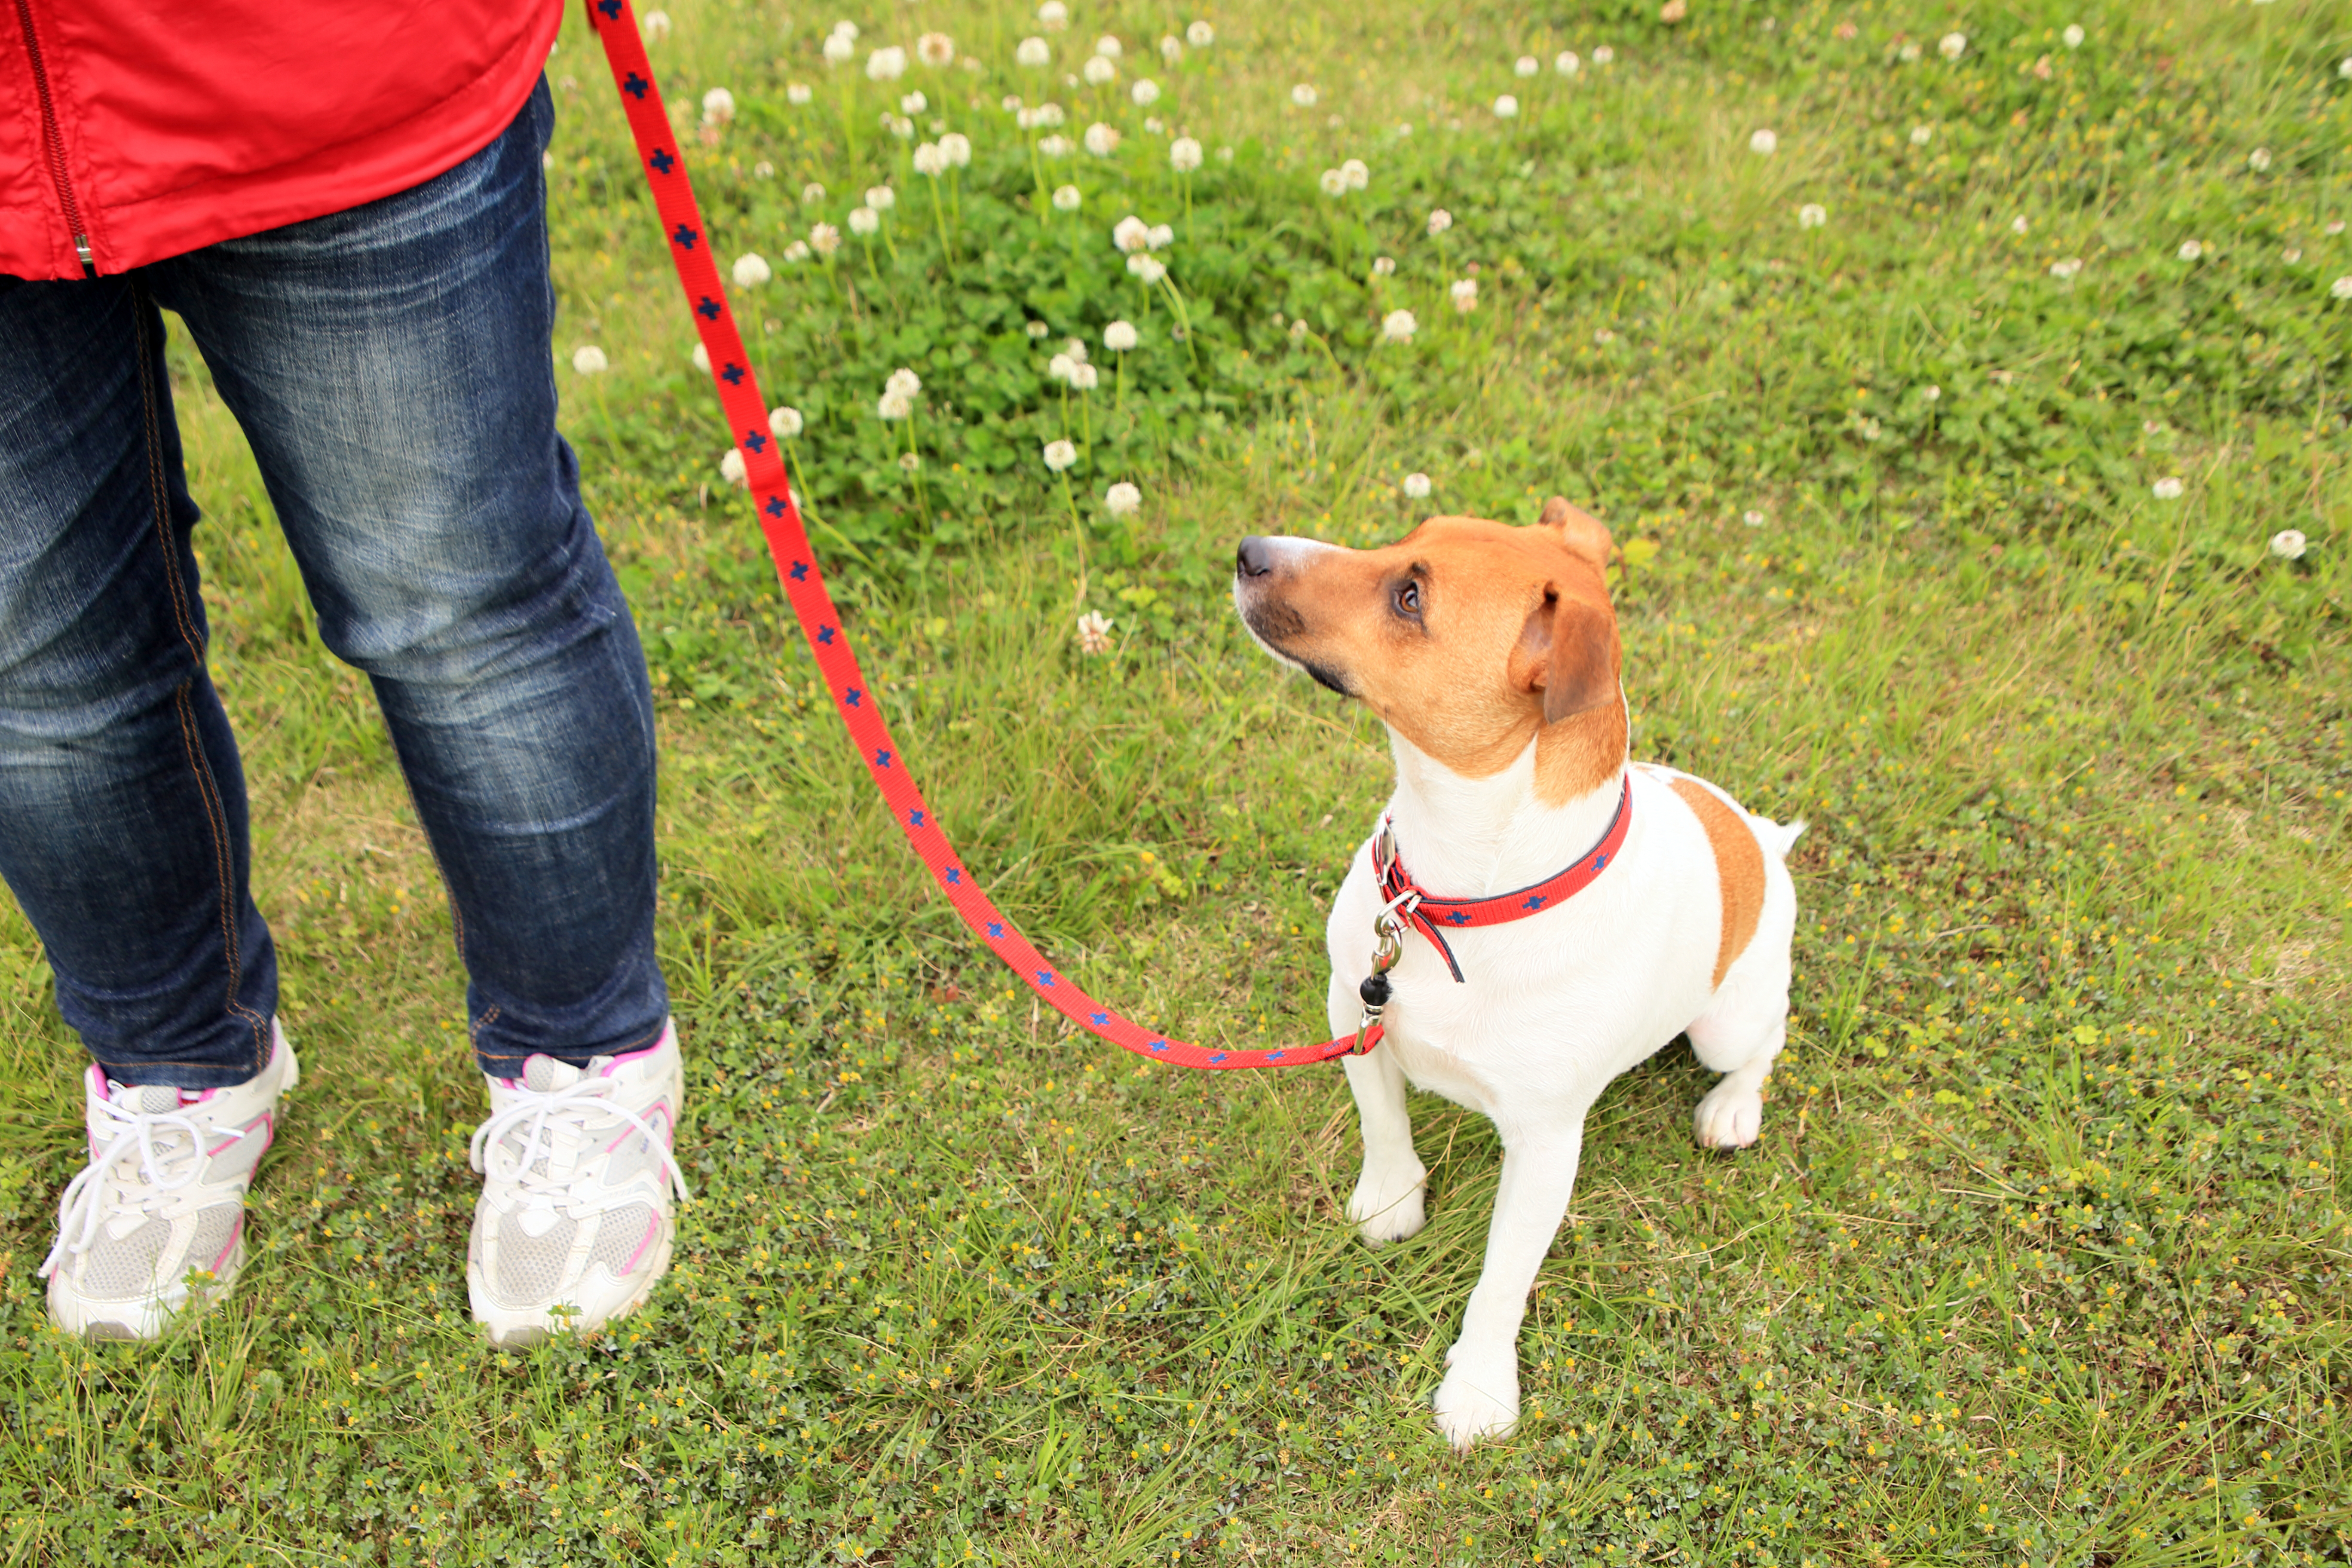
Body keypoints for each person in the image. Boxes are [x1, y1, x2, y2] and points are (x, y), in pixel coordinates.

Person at [1, 1, 685, 1345]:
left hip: (322, 67)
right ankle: (177, 1084)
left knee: (457, 608)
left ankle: (584, 1058)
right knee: (35, 664)